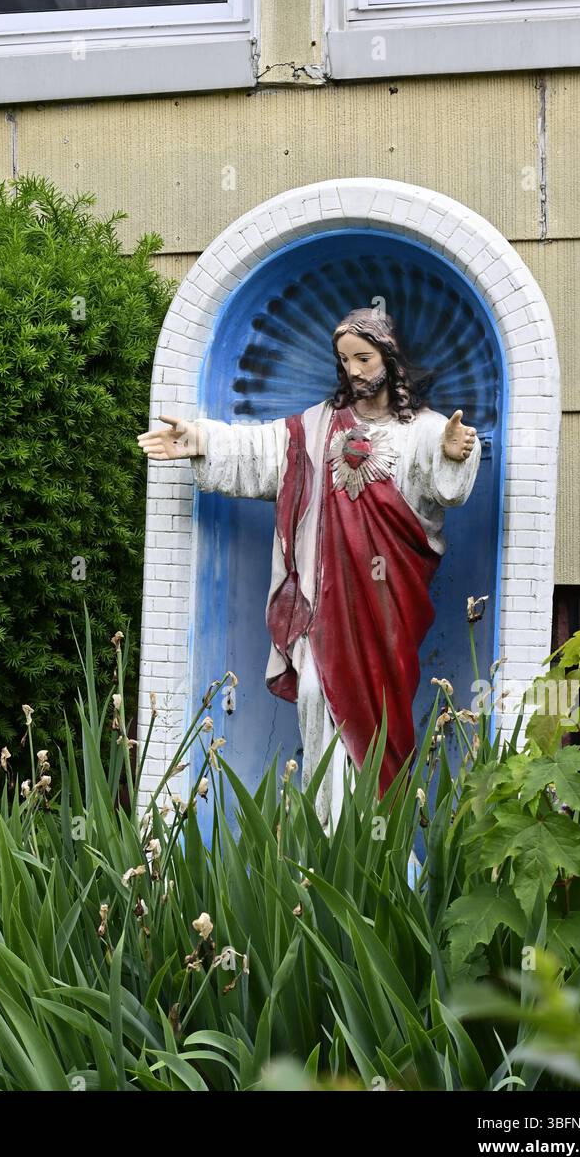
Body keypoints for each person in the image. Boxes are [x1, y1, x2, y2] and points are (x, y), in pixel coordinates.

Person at [137, 307, 481, 831]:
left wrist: (455, 456)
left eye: (364, 358)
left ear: (389, 358)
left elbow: (445, 488)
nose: (355, 371)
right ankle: (327, 835)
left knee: (381, 717)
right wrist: (201, 440)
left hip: (387, 611)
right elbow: (262, 449)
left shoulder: (425, 431)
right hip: (324, 609)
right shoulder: (318, 426)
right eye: (345, 361)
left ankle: (379, 844)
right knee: (320, 696)